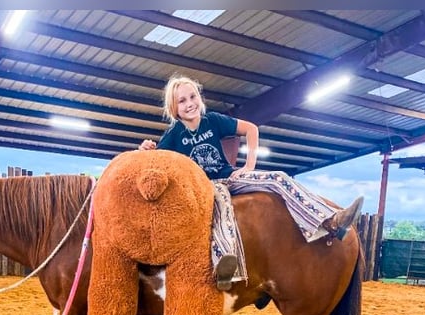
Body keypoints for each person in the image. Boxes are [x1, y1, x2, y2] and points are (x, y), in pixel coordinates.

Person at [139, 74, 364, 291]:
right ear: (174, 108)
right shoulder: (174, 134)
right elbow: (156, 162)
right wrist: (145, 150)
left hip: (231, 175)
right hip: (207, 185)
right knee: (222, 204)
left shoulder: (213, 120)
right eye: (182, 100)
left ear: (199, 98)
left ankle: (328, 222)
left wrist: (248, 166)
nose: (190, 103)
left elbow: (251, 129)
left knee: (279, 178)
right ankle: (224, 266)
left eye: (193, 96)